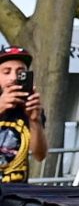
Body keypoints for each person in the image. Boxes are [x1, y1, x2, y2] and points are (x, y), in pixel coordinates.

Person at [0, 46, 47, 183]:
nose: (13, 78)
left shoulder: (29, 106)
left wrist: (35, 121)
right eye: (6, 72)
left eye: (20, 72)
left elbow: (40, 155)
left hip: (17, 189)